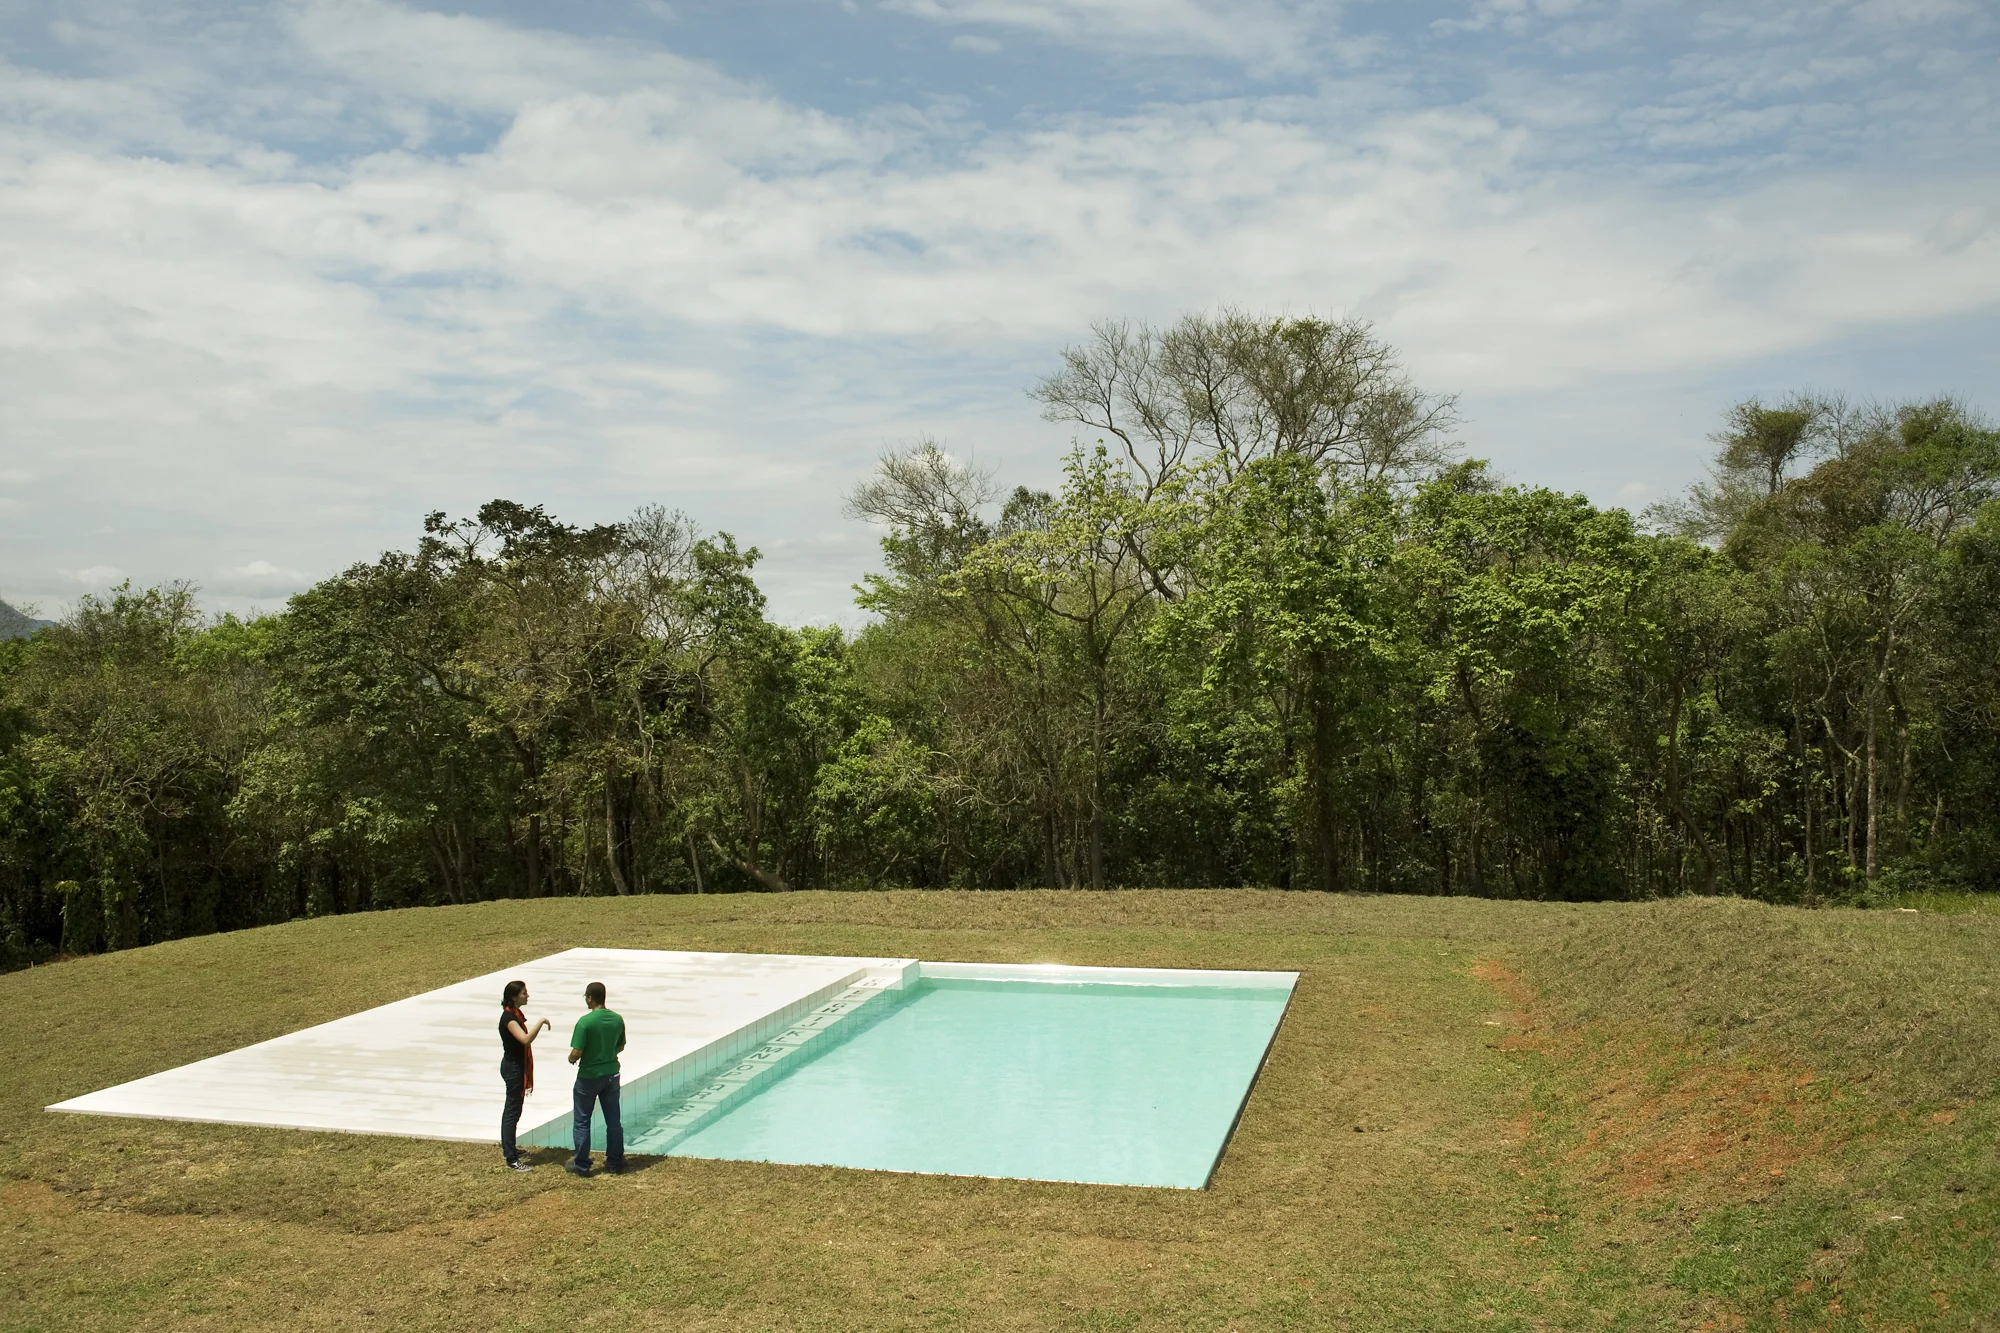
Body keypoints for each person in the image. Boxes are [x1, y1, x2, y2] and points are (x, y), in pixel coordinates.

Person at [566, 980, 627, 1176]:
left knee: (582, 1120)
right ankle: (615, 1161)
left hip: (589, 1077)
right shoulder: (617, 1019)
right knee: (613, 1119)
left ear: (590, 998)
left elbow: (576, 1052)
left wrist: (571, 1059)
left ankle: (581, 1164)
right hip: (611, 1073)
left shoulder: (585, 1022)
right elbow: (620, 1046)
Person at [499, 979, 551, 1172]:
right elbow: (525, 1040)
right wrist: (541, 1022)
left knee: (515, 1110)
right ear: (514, 997)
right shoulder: (509, 1019)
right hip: (513, 1068)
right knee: (512, 1112)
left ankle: (511, 1148)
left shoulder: (516, 1014)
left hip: (516, 1066)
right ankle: (511, 1158)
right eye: (523, 993)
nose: (527, 995)